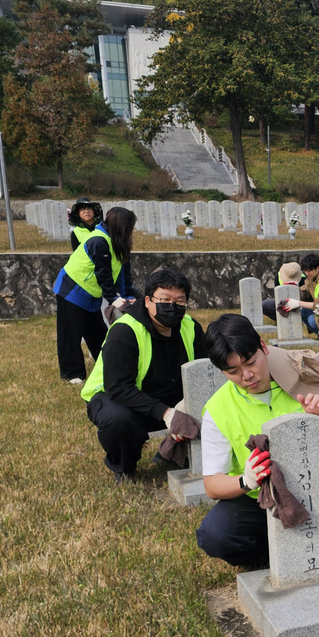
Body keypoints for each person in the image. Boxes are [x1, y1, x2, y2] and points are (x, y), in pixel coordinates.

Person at [194, 314, 319, 569]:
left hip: (314, 484)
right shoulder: (218, 409)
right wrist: (247, 480)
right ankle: (273, 552)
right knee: (215, 535)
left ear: (263, 347)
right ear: (222, 371)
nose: (247, 375)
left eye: (251, 362)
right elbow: (212, 485)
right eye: (233, 372)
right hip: (257, 499)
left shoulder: (301, 374)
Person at [80, 267, 202, 481]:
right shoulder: (125, 330)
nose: (172, 307)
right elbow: (118, 387)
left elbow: (205, 370)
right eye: (165, 300)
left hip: (171, 401)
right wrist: (167, 414)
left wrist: (185, 405)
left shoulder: (190, 327)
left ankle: (173, 452)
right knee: (119, 421)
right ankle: (124, 467)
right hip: (120, 399)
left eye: (179, 302)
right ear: (147, 301)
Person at [54, 206, 138, 385]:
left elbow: (124, 272)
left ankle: (108, 365)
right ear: (122, 226)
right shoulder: (98, 241)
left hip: (91, 292)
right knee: (71, 332)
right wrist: (113, 299)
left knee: (97, 332)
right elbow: (103, 274)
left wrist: (127, 295)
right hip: (72, 288)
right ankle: (72, 373)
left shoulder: (119, 243)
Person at [260, 262, 318, 336]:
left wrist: (298, 302)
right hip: (284, 303)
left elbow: (308, 298)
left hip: (301, 305)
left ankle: (303, 323)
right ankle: (282, 321)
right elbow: (277, 295)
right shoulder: (278, 276)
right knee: (265, 305)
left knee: (305, 312)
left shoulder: (305, 278)